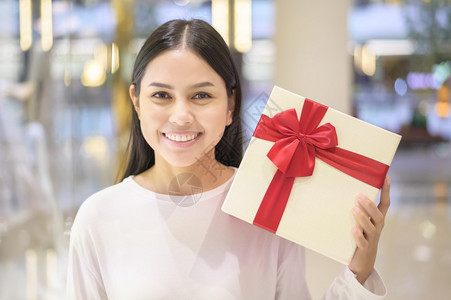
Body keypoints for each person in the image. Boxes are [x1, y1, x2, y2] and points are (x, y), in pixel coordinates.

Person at [67, 19, 390, 299]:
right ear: (136, 102)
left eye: (201, 95)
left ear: (230, 105)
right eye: (161, 95)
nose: (181, 116)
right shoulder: (98, 217)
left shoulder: (265, 207)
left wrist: (359, 271)